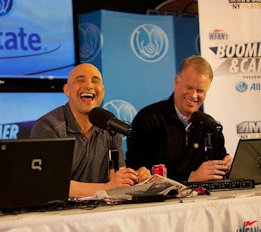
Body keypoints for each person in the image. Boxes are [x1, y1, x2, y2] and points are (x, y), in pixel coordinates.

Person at [30, 63, 150, 198]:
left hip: (98, 211)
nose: (88, 85)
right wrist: (107, 188)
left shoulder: (110, 125)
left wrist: (134, 178)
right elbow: (51, 183)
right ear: (67, 90)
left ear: (103, 91)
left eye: (95, 81)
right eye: (80, 80)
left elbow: (115, 175)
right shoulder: (48, 126)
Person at [126, 55, 232, 183]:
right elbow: (141, 172)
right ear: (176, 81)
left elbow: (219, 167)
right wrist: (190, 177)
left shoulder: (210, 125)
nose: (193, 95)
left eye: (200, 90)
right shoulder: (147, 119)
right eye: (189, 88)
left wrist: (228, 165)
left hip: (204, 201)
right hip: (162, 202)